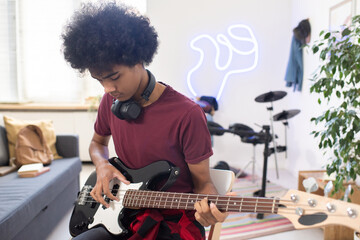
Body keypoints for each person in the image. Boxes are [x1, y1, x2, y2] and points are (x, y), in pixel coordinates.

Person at [61, 2, 227, 239]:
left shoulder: (187, 114)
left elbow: (203, 185)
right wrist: (102, 166)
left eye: (114, 77)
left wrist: (211, 210)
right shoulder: (109, 101)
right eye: (99, 80)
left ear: (138, 59)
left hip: (173, 222)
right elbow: (97, 144)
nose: (108, 88)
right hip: (119, 213)